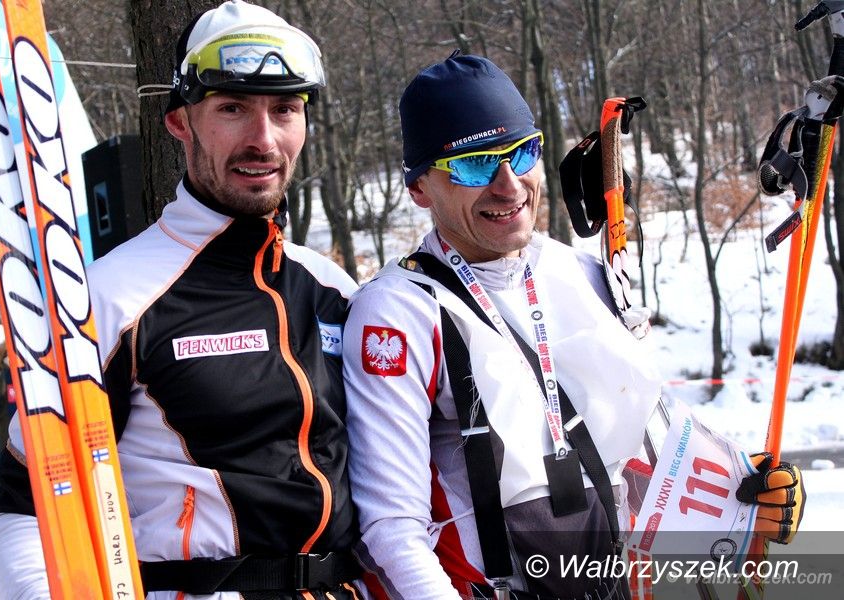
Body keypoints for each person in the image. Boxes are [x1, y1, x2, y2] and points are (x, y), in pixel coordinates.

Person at [343, 53, 806, 600]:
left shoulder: (581, 272)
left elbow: (641, 452)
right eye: (474, 165)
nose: (509, 186)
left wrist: (742, 491)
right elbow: (392, 530)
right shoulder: (397, 312)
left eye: (522, 152)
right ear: (419, 187)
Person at [0, 2, 363, 599]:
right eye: (233, 109)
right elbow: (20, 509)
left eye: (284, 109)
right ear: (181, 122)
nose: (263, 139)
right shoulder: (107, 299)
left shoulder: (333, 289)